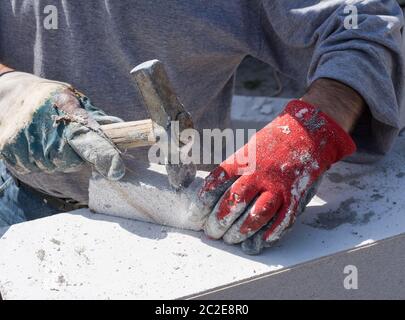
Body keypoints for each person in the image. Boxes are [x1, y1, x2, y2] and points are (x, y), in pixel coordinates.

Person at [0, 1, 404, 254]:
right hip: (20, 199)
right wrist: (12, 94)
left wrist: (309, 130)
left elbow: (366, 24)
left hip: (184, 226)